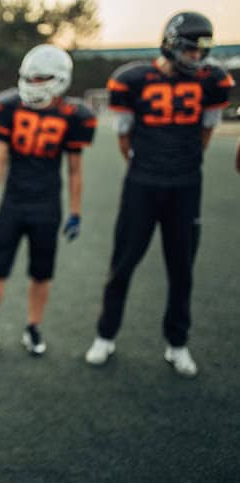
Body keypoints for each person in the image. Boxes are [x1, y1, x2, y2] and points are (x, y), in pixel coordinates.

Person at [85, 12, 235, 377]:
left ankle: (177, 343)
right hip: (142, 185)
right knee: (122, 264)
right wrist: (151, 167)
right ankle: (105, 335)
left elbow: (206, 132)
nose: (197, 58)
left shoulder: (213, 81)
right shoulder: (132, 79)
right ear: (170, 44)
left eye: (203, 52)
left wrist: (180, 164)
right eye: (191, 50)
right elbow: (125, 138)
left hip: (186, 186)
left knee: (181, 268)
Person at [0, 44, 96, 356]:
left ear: (60, 80)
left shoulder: (74, 116)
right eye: (30, 78)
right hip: (13, 202)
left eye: (41, 79)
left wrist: (75, 212)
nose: (33, 85)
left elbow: (75, 170)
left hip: (47, 205)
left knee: (41, 271)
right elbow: (0, 159)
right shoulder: (9, 106)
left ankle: (33, 328)